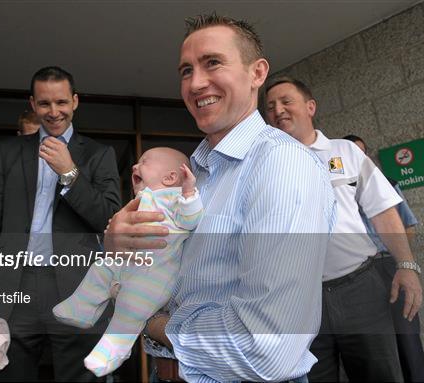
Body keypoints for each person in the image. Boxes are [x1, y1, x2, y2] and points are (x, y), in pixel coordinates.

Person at [105, 14, 337, 382]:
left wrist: (148, 320)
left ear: (257, 73)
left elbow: (265, 346)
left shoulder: (282, 164)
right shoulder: (193, 177)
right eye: (185, 70)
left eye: (213, 62)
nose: (196, 83)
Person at [0, 66, 121, 382]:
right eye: (45, 104)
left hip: (78, 290)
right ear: (32, 104)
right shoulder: (7, 153)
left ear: (75, 101)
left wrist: (70, 172)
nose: (54, 112)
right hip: (13, 288)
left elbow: (108, 221)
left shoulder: (100, 155)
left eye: (61, 103)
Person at [265, 77, 423, 382]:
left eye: (286, 101)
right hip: (300, 300)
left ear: (310, 107)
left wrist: (406, 264)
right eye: (270, 107)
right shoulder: (266, 164)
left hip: (360, 290)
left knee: (380, 374)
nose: (278, 110)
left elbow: (383, 211)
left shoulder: (346, 152)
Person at [53, 147, 203, 377]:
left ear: (170, 177)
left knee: (131, 305)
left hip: (156, 273)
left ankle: (115, 348)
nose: (135, 166)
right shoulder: (140, 199)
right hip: (129, 263)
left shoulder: (175, 198)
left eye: (145, 162)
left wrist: (189, 194)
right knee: (101, 268)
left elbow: (191, 219)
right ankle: (82, 308)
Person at [343, 134, 424, 382]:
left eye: (361, 153)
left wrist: (401, 263)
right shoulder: (340, 192)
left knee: (407, 340)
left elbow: (408, 226)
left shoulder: (387, 184)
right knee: (373, 348)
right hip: (356, 274)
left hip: (387, 265)